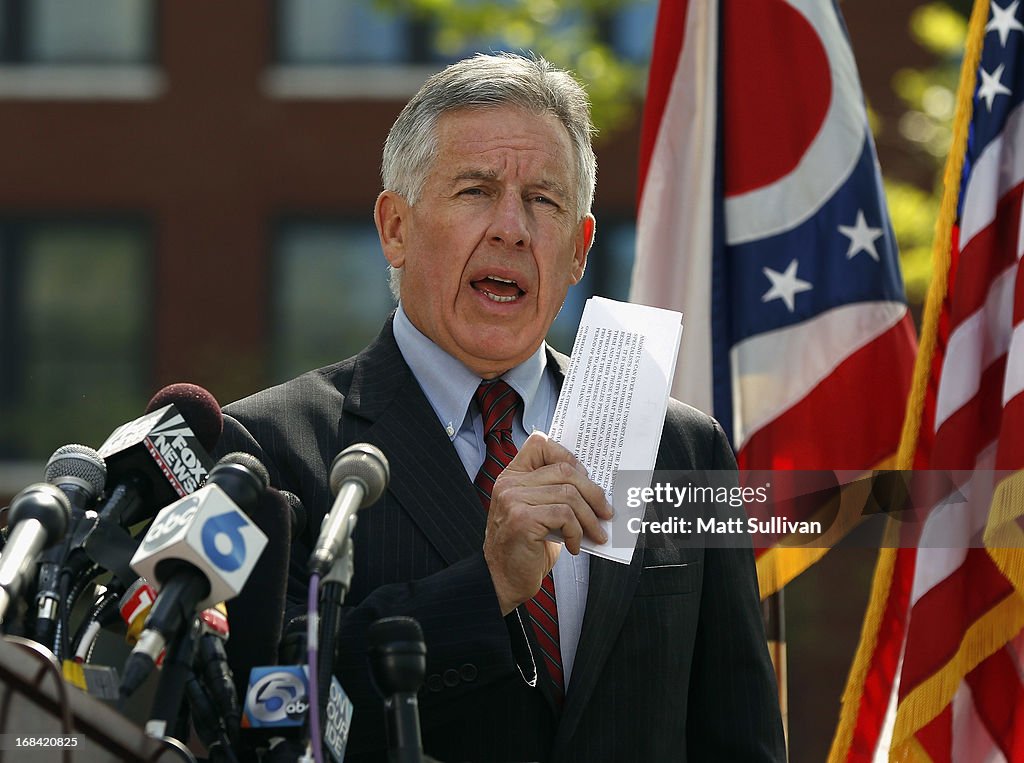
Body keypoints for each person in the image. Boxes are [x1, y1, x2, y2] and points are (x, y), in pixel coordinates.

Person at [218, 52, 785, 762]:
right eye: (477, 191)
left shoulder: (684, 447)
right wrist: (487, 585)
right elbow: (263, 721)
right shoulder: (269, 447)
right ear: (395, 227)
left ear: (578, 251)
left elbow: (739, 736)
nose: (512, 228)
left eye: (544, 201)